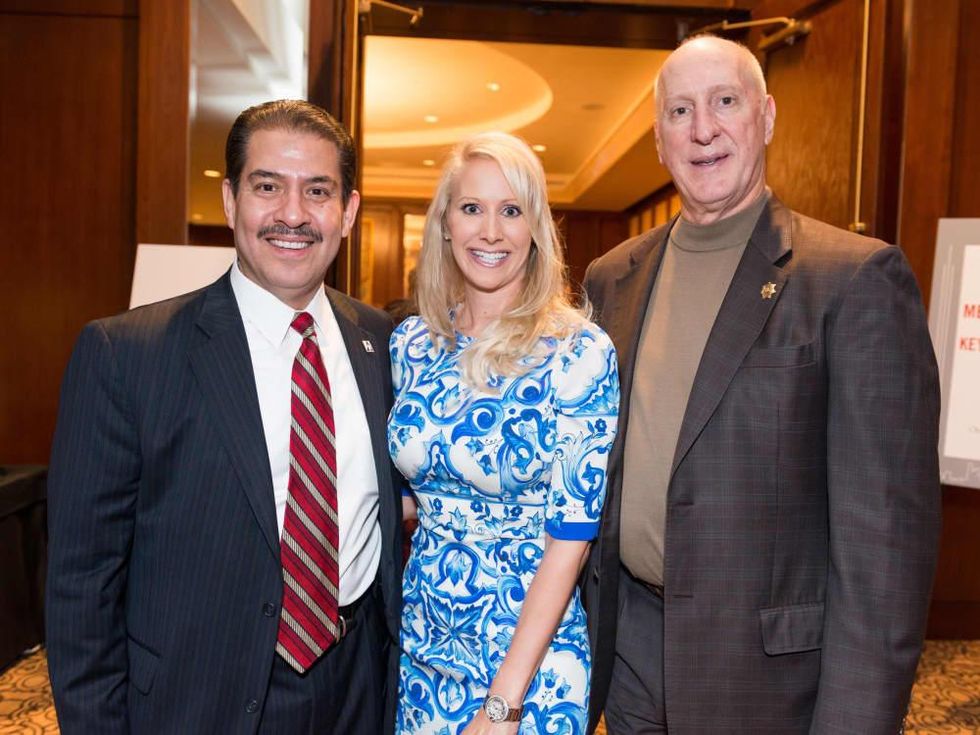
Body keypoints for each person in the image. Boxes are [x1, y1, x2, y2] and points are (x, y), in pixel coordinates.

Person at [583, 35, 941, 734]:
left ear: (767, 117)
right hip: (629, 656)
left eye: (725, 103)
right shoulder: (612, 277)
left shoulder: (854, 280)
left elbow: (885, 551)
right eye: (680, 111)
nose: (703, 129)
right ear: (658, 138)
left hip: (772, 682)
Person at [46, 100, 402, 733]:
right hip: (196, 698)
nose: (293, 214)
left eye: (317, 191)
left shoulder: (383, 343)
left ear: (347, 212)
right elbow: (82, 584)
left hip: (356, 689)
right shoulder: (127, 355)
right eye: (269, 187)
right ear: (232, 200)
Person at [388, 131, 620, 734]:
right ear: (444, 224)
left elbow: (572, 538)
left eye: (510, 210)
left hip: (527, 668)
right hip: (422, 654)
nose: (490, 231)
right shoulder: (412, 345)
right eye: (472, 208)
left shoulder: (579, 354)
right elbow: (406, 495)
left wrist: (503, 705)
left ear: (536, 230)